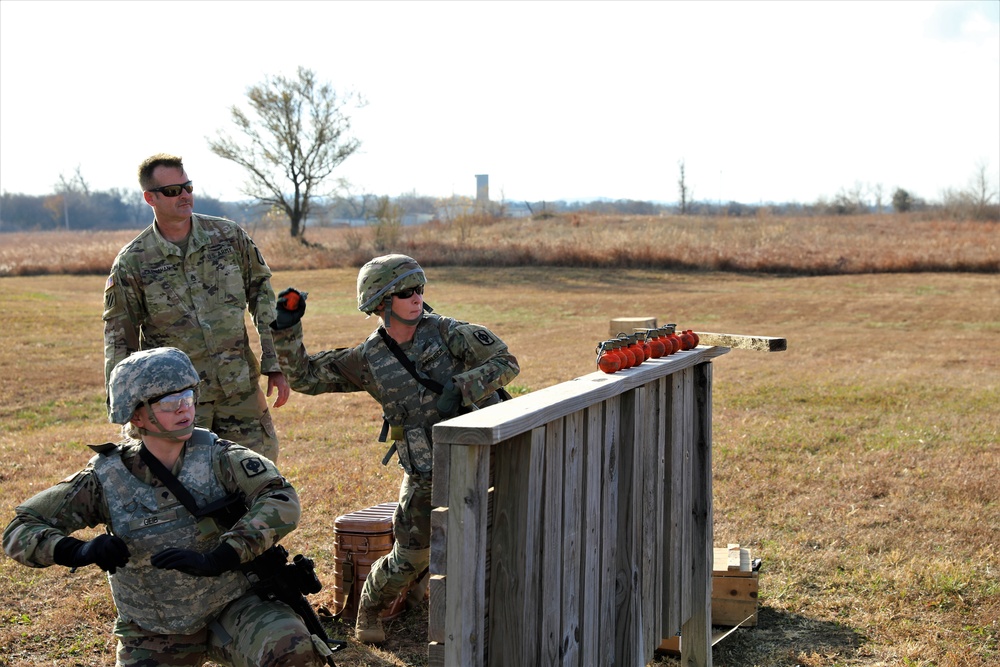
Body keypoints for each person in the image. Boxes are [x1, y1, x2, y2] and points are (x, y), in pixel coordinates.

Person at [2, 347, 327, 666]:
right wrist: (78, 552)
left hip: (234, 609)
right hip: (153, 629)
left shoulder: (220, 457)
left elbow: (281, 498)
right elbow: (20, 529)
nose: (185, 410)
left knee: (290, 648)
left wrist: (222, 556)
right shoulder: (105, 478)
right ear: (136, 414)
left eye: (188, 398)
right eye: (171, 403)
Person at [270, 254, 519, 644]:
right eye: (405, 292)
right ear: (381, 303)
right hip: (425, 469)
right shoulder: (369, 358)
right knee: (411, 555)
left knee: (500, 538)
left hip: (482, 456)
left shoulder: (449, 332)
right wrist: (286, 328)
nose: (417, 297)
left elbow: (506, 361)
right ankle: (369, 609)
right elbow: (306, 377)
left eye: (420, 288)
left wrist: (464, 386)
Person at [103, 153, 289, 462]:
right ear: (150, 198)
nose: (185, 195)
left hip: (239, 390)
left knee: (259, 480)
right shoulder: (133, 262)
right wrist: (125, 403)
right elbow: (119, 337)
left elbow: (263, 297)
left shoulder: (228, 237)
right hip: (176, 402)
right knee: (186, 491)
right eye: (173, 191)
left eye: (187, 186)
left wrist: (275, 361)